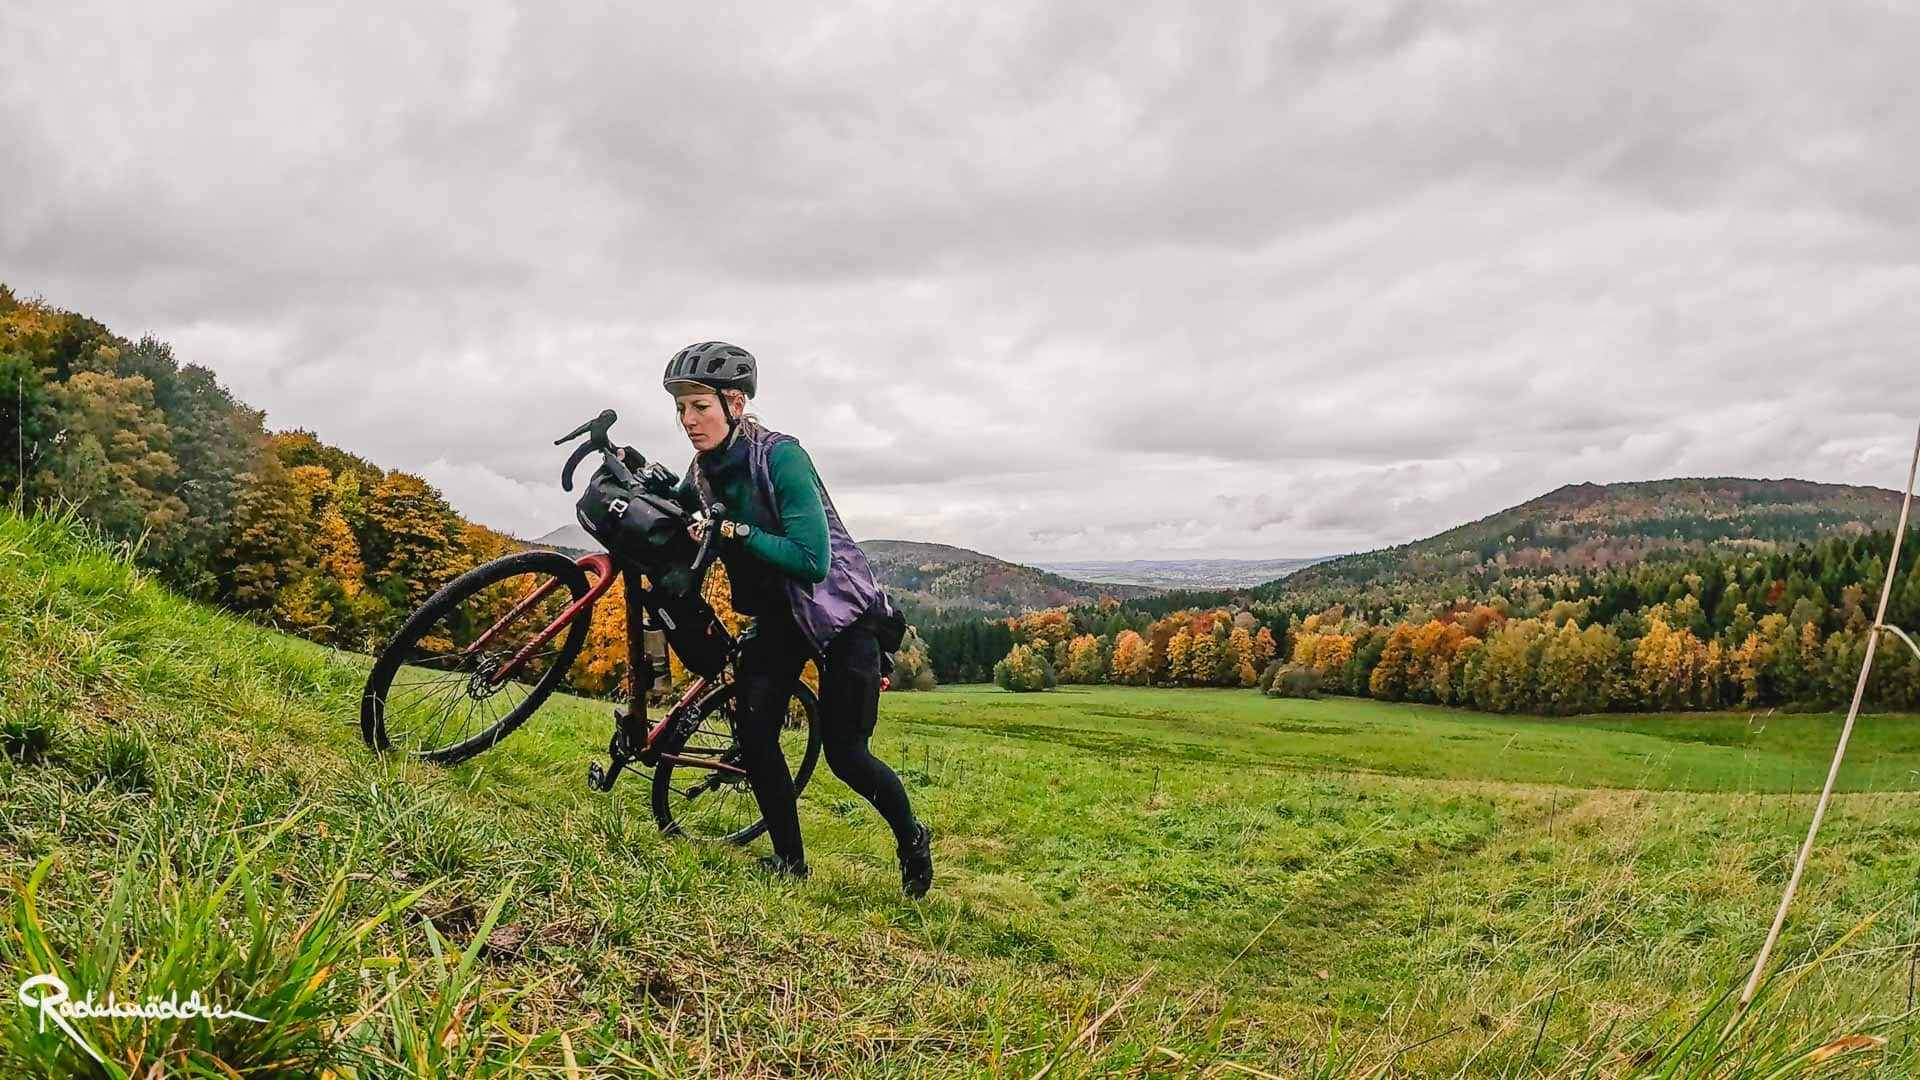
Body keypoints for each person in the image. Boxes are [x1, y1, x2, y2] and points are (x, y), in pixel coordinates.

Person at [657, 341, 933, 896]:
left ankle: (911, 836)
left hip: (841, 619)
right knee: (756, 735)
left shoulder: (781, 457)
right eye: (681, 408)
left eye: (699, 407)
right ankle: (790, 863)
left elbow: (812, 560)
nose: (688, 420)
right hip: (776, 620)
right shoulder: (706, 467)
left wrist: (734, 532)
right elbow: (684, 505)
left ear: (735, 403)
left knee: (847, 756)